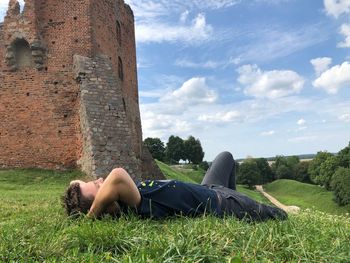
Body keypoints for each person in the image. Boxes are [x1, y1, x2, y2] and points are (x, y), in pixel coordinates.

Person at [62, 152, 288, 221]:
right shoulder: (132, 204)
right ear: (105, 203)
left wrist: (79, 191)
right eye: (97, 187)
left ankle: (234, 193)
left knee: (226, 157)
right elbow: (117, 175)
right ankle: (244, 205)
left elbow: (75, 183)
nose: (99, 180)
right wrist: (91, 216)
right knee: (279, 216)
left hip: (209, 188)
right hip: (223, 204)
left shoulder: (125, 195)